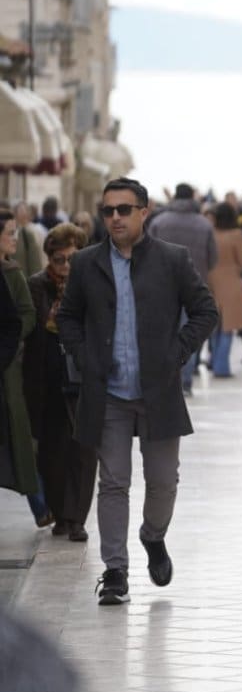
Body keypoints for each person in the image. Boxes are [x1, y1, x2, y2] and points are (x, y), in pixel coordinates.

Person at [57, 178, 219, 606]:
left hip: (158, 391)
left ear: (144, 212)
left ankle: (153, 535)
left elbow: (206, 311)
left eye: (124, 209)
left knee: (163, 482)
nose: (115, 218)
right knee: (113, 483)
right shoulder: (88, 263)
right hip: (106, 393)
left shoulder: (172, 260)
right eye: (108, 210)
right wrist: (83, 354)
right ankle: (115, 571)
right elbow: (68, 317)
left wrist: (177, 351)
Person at [24, 222, 95, 541]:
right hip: (47, 375)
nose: (65, 266)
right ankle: (59, 515)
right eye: (59, 259)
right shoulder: (36, 286)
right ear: (49, 259)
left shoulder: (92, 285)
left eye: (71, 259)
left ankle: (76, 517)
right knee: (52, 451)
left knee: (83, 449)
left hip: (85, 376)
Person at [148, 183, 217, 394]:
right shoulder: (204, 225)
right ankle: (186, 381)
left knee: (164, 335)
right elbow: (213, 258)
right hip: (195, 286)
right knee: (190, 334)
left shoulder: (159, 222)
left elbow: (146, 254)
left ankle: (167, 380)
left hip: (162, 286)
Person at [0, 210, 44, 526]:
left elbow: (26, 314)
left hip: (8, 370)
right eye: (10, 233)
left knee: (18, 439)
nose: (14, 239)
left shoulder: (12, 273)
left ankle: (40, 507)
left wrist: (13, 342)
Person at [207, 203, 242, 378]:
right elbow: (241, 260)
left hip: (210, 279)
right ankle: (221, 366)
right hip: (231, 279)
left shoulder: (210, 233)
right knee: (228, 326)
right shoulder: (237, 234)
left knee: (214, 325)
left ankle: (215, 361)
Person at [13, 203, 45, 278]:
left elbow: (42, 255)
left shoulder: (38, 230)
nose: (23, 215)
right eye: (20, 212)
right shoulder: (13, 232)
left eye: (25, 212)